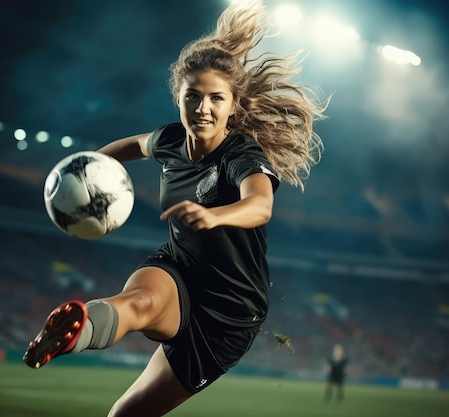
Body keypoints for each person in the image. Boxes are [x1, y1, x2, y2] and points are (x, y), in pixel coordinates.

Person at [23, 1, 326, 416]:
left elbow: (260, 204)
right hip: (179, 268)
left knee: (123, 415)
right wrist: (91, 168)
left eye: (216, 98)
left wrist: (216, 215)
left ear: (233, 106)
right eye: (193, 97)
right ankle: (74, 331)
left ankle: (79, 332)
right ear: (178, 98)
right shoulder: (169, 141)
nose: (203, 108)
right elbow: (131, 146)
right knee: (140, 304)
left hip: (227, 314)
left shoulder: (240, 154)